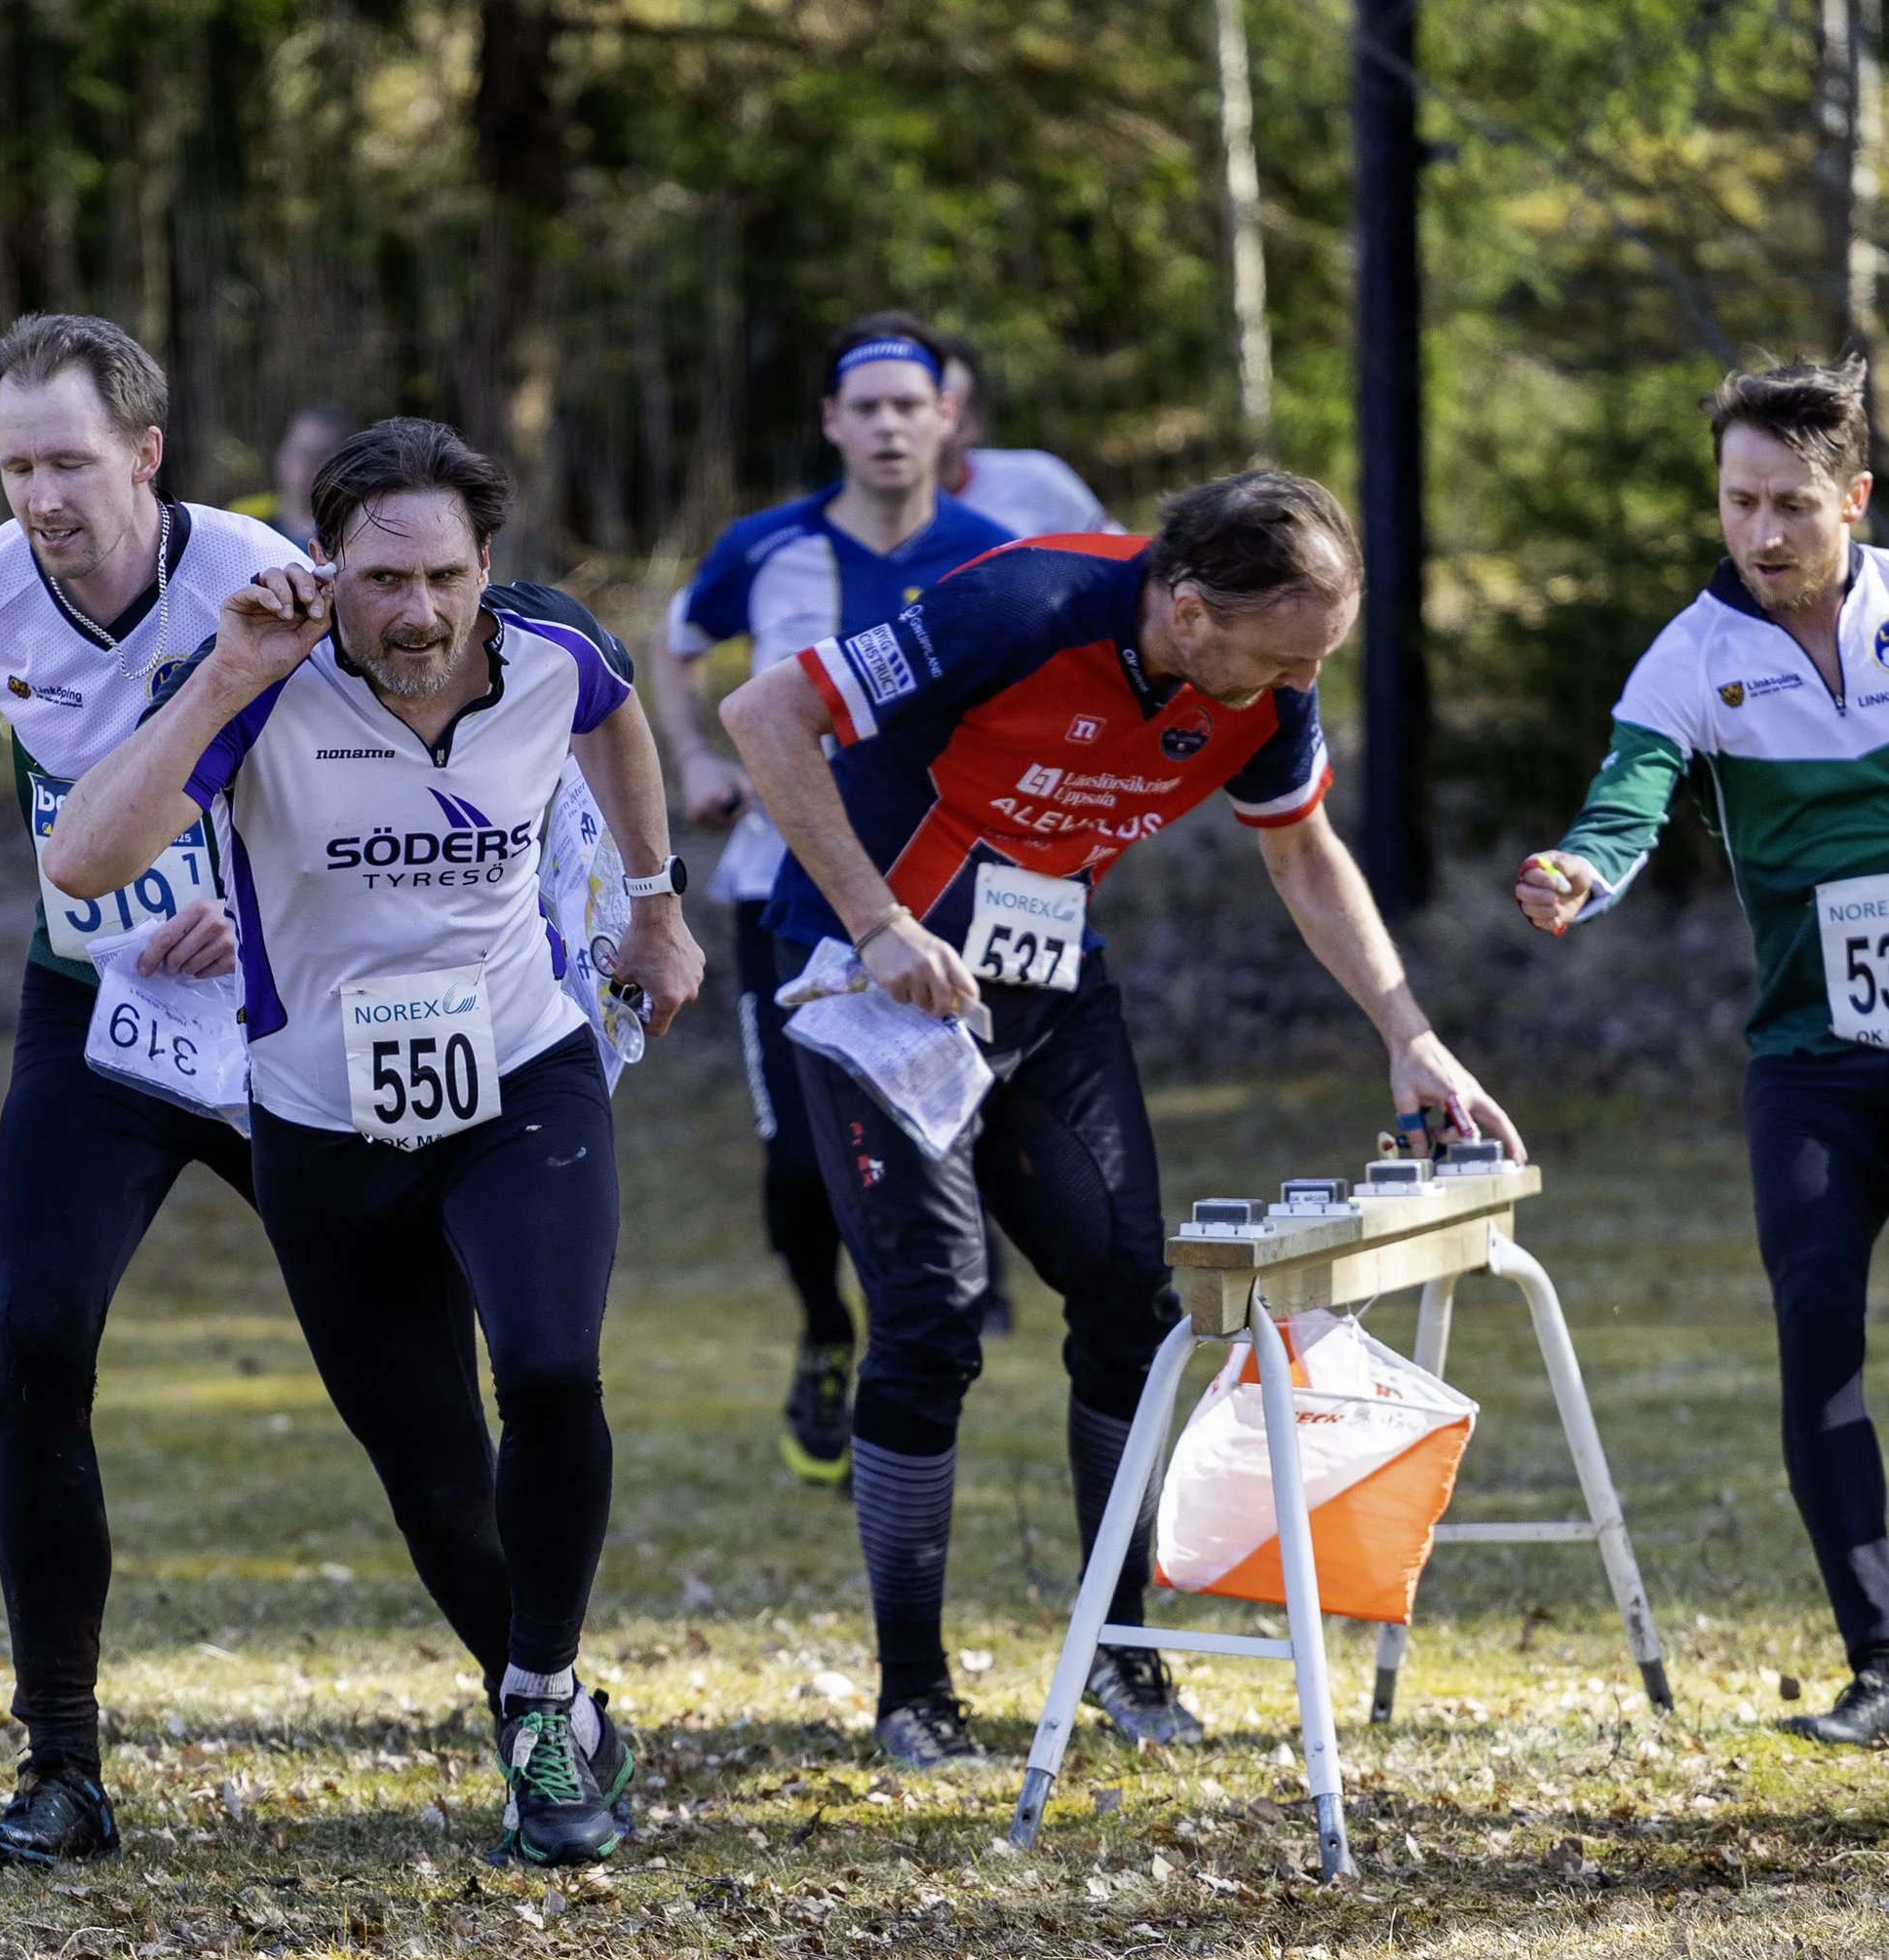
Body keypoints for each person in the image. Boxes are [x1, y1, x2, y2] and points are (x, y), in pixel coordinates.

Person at [721, 471, 1522, 1766]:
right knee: (929, 1320)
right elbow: (763, 714)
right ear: (1191, 613)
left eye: (1319, 656)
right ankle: (913, 1690)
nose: (1296, 687)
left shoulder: (1269, 682)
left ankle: (1122, 1649)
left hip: (1043, 984)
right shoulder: (1029, 603)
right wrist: (876, 921)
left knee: (1132, 1298)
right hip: (871, 986)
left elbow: (1303, 850)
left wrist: (1406, 1029)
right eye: (1281, 657)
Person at [45, 417, 709, 1864]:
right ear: (324, 565)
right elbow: (82, 856)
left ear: (489, 570)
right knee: (433, 1474)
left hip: (521, 1074)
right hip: (324, 1124)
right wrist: (230, 671)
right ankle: (563, 1703)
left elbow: (616, 717)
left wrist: (656, 903)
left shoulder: (553, 650)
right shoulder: (256, 687)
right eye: (383, 579)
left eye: (447, 578)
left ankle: (533, 1703)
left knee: (549, 1366)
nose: (417, 614)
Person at [0, 313, 310, 1867]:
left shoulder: (250, 568)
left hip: (267, 1012)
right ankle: (65, 1765)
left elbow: (353, 769)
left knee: (411, 1357)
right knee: (36, 1341)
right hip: (93, 1012)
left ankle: (538, 1707)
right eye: (15, 462)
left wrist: (254, 912)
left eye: (68, 460)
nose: (40, 493)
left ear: (147, 453)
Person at [1516, 355, 1889, 1748]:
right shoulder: (1692, 654)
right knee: (1815, 1341)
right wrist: (1575, 869)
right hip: (1811, 1059)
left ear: (1852, 497)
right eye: (1739, 502)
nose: (1764, 532)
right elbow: (1625, 807)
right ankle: (1882, 1663)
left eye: (1792, 502)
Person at [650, 318, 1012, 1483]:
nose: (891, 425)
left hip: (944, 896)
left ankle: (918, 1352)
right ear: (831, 424)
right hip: (784, 900)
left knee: (947, 1121)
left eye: (913, 404)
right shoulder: (765, 546)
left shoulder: (993, 552)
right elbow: (679, 647)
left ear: (947, 417)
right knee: (804, 1158)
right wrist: (696, 759)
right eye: (868, 408)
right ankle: (823, 1331)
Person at [934, 333, 1118, 539]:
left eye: (944, 409)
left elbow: (1121, 559)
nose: (892, 425)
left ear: (972, 423)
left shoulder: (1038, 478)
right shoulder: (894, 527)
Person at [264, 403, 352, 552]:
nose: (307, 466)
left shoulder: (354, 532)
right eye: (300, 453)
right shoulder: (244, 521)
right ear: (281, 455)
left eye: (321, 456)